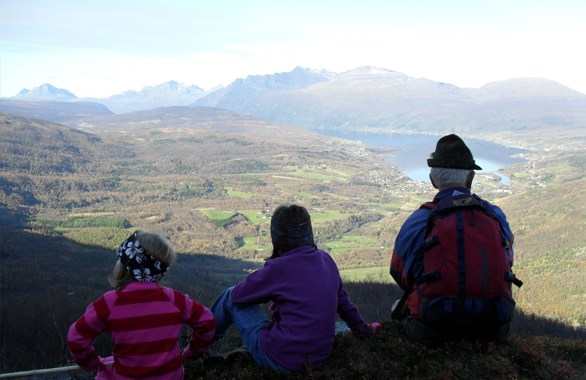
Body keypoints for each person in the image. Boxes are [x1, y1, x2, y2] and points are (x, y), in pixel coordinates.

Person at [210, 204, 379, 373]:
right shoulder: (326, 260)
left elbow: (239, 296)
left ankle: (199, 346)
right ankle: (250, 350)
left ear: (276, 236)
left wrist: (269, 289)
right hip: (318, 359)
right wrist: (365, 331)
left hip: (282, 361)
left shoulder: (278, 268)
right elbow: (345, 306)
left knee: (229, 295)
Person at [390, 134, 520, 343]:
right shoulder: (495, 216)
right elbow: (508, 261)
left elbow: (398, 272)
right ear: (471, 178)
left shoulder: (419, 220)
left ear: (433, 181)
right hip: (495, 326)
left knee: (398, 307)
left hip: (434, 328)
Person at [67, 230, 216, 379]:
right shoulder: (174, 300)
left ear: (125, 266)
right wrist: (194, 350)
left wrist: (92, 364)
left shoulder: (109, 303)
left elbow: (76, 338)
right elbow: (207, 320)